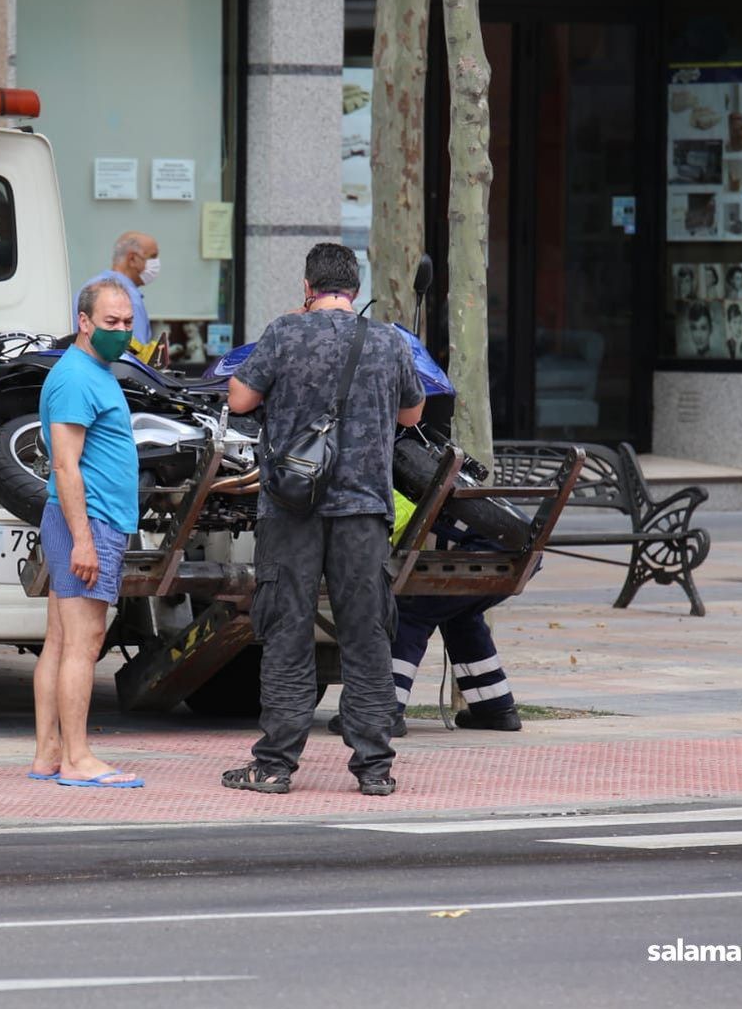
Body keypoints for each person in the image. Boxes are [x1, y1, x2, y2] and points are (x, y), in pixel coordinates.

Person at [222, 242, 425, 797]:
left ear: (308, 286)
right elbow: (413, 412)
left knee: (287, 630)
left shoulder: (286, 331)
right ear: (354, 289)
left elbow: (240, 400)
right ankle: (374, 767)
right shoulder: (386, 339)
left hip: (292, 509)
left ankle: (274, 765)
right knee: (368, 635)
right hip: (363, 510)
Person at [31, 278, 145, 788]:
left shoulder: (93, 371)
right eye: (110, 323)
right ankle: (77, 759)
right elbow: (65, 464)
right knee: (85, 639)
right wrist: (83, 540)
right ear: (83, 322)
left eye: (127, 323)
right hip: (89, 521)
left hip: (86, 520)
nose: (121, 332)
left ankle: (48, 752)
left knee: (59, 640)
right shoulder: (77, 377)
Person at [328, 492, 523, 739]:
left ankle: (383, 713)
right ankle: (495, 707)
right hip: (514, 546)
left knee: (409, 614)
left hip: (482, 550)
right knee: (458, 617)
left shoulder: (379, 486)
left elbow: (382, 530)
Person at [71, 231, 159, 345]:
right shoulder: (127, 298)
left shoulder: (90, 286)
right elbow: (133, 355)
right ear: (132, 259)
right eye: (152, 257)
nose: (156, 263)